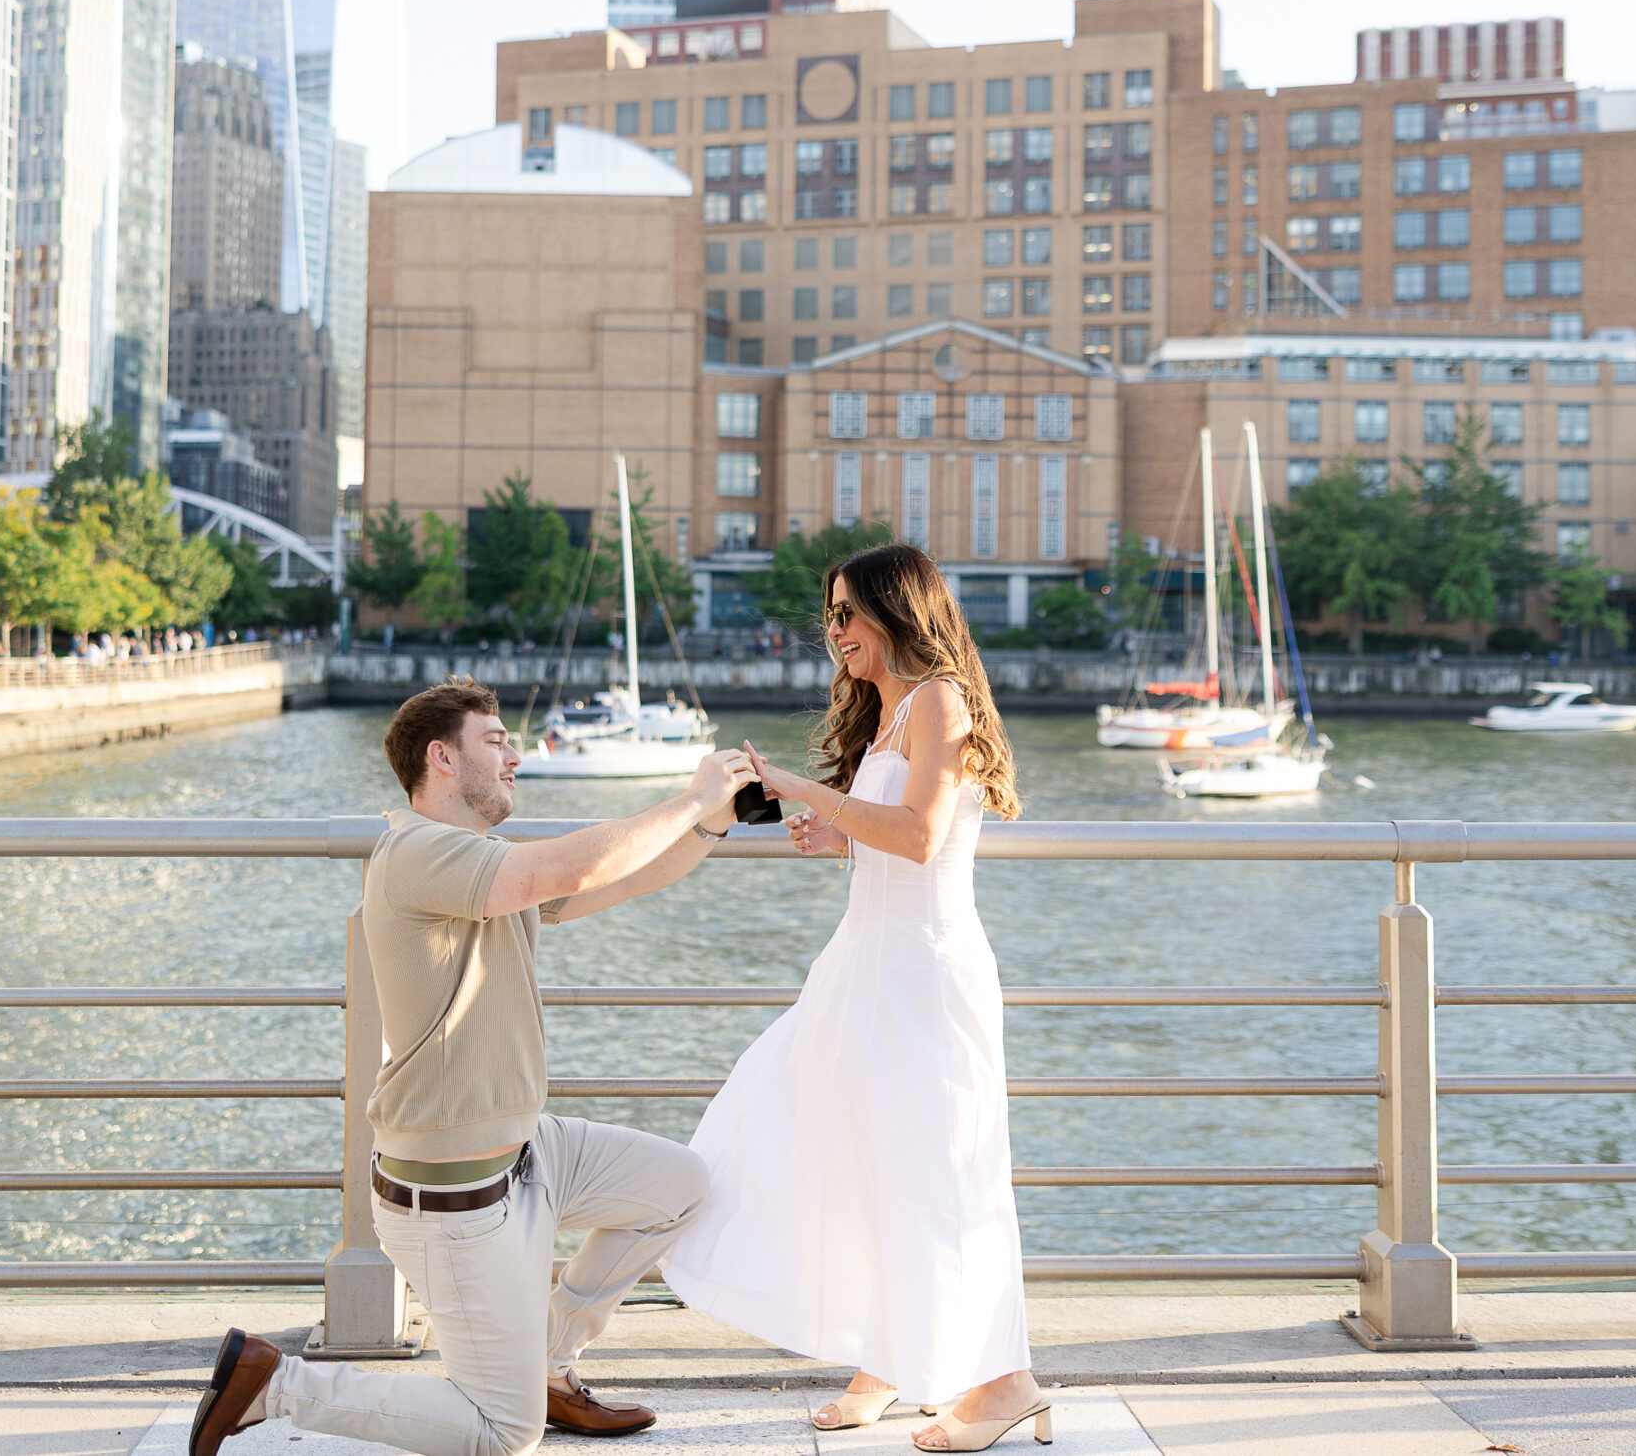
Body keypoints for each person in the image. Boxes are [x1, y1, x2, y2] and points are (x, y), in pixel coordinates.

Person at [188, 680, 758, 1456]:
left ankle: (550, 1364)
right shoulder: (418, 851)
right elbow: (571, 866)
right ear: (441, 756)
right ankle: (276, 1382)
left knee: (679, 1187)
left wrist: (713, 825)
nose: (516, 754)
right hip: (453, 1198)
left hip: (528, 1151)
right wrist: (690, 798)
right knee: (501, 1434)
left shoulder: (481, 859)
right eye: (495, 740)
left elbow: (621, 876)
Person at [665, 543, 1045, 1454]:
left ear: (896, 611)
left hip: (923, 971)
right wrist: (834, 834)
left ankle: (1007, 1382)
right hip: (863, 966)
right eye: (827, 616)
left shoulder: (941, 700)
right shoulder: (886, 712)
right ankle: (890, 1355)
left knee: (940, 1172)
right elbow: (894, 834)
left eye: (847, 614)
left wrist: (807, 791)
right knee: (846, 1150)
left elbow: (921, 838)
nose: (833, 632)